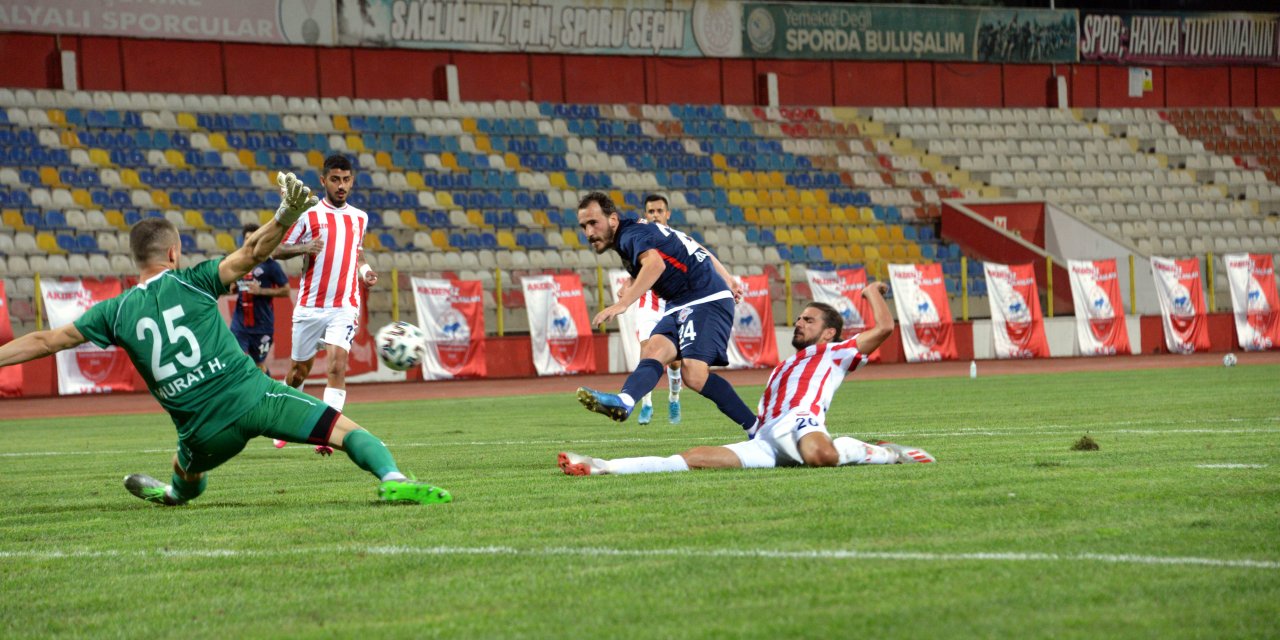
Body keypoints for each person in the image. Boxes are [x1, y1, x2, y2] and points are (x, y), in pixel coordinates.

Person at [0, 172, 450, 506]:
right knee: (347, 431)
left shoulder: (114, 311)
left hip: (203, 434)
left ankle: (174, 492)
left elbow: (45, 340)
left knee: (189, 476)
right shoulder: (194, 280)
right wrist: (285, 214)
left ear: (137, 258)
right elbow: (253, 252)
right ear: (174, 253)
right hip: (256, 399)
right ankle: (391, 477)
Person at [558, 292, 935, 476]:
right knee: (695, 459)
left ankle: (884, 453)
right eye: (799, 319)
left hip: (801, 421)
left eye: (808, 320)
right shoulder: (784, 367)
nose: (800, 323)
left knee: (821, 456)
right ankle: (601, 466)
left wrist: (871, 291)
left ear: (830, 333)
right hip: (768, 437)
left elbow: (885, 328)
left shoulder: (837, 353)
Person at [575, 191, 757, 434]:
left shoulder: (631, 235)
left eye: (593, 223)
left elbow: (655, 264)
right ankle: (625, 401)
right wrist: (728, 278)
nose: (588, 233)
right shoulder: (639, 231)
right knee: (652, 350)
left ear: (613, 220)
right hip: (680, 302)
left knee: (693, 374)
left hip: (705, 298)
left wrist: (624, 303)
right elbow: (694, 246)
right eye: (583, 226)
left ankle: (757, 428)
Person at [273, 154, 376, 419]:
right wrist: (304, 248)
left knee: (337, 367)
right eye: (335, 180)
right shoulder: (308, 215)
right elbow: (277, 249)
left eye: (346, 180)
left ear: (352, 181)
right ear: (323, 181)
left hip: (344, 305)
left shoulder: (359, 218)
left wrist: (365, 272)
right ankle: (283, 415)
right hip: (310, 306)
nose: (341, 186)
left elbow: (358, 252)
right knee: (298, 374)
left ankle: (328, 432)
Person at [629, 194, 686, 425]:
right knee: (647, 353)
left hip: (672, 306)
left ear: (667, 214)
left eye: (659, 211)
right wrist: (628, 287)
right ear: (646, 215)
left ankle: (674, 398)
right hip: (647, 307)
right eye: (651, 212)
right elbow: (634, 270)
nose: (655, 215)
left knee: (674, 362)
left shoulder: (679, 241)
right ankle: (647, 405)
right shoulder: (639, 240)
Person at [228, 223, 290, 376]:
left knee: (259, 365)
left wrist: (261, 291)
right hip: (240, 325)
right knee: (236, 360)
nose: (250, 242)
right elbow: (232, 287)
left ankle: (266, 394)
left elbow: (286, 290)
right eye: (247, 239)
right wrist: (231, 288)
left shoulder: (271, 266)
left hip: (262, 326)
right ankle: (241, 397)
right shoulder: (237, 263)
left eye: (254, 239)